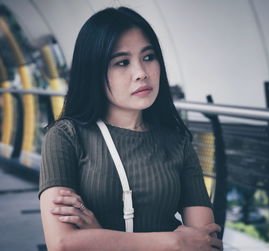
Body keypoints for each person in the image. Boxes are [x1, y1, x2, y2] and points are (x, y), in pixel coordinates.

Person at [39, 6, 223, 251]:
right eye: (122, 62)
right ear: (93, 71)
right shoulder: (65, 136)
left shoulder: (176, 140)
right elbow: (62, 244)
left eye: (148, 57)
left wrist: (98, 236)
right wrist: (174, 241)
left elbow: (205, 243)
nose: (141, 73)